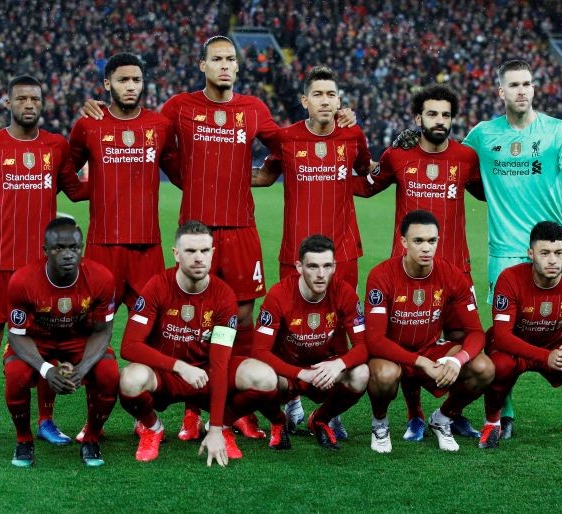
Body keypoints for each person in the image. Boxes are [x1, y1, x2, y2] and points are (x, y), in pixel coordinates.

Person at [83, 37, 355, 440]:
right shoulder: (178, 107)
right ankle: (194, 410)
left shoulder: (254, 109)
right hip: (197, 231)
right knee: (191, 320)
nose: (224, 65)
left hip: (241, 228)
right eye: (217, 59)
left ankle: (234, 408)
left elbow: (292, 143)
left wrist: (334, 117)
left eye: (230, 59)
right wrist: (98, 111)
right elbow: (143, 129)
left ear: (238, 68)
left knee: (241, 317)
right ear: (202, 65)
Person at [394, 59, 562, 438]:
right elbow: (448, 153)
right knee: (507, 338)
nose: (522, 90)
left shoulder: (557, 131)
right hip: (504, 252)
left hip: (554, 247)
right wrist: (412, 136)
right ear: (500, 92)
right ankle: (504, 414)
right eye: (514, 85)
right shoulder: (484, 135)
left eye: (528, 84)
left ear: (534, 89)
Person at [0, 75, 88, 447]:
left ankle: (46, 420)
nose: (29, 104)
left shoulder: (56, 146)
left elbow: (76, 191)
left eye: (35, 98)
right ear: (8, 103)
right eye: (22, 99)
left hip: (42, 268)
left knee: (46, 341)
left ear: (43, 103)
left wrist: (119, 175)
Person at [353, 84, 484, 441]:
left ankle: (452, 413)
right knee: (408, 342)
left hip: (455, 268)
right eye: (432, 114)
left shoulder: (466, 158)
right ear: (418, 118)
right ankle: (415, 415)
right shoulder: (399, 156)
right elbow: (364, 186)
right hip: (406, 271)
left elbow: (489, 193)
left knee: (463, 344)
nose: (439, 121)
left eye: (445, 115)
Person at [251, 65, 371, 438]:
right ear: (304, 100)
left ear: (339, 101)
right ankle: (292, 401)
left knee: (338, 330)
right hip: (295, 254)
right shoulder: (286, 140)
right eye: (317, 94)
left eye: (331, 95)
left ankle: (331, 409)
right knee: (290, 330)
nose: (325, 101)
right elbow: (266, 174)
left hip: (344, 251)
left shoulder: (353, 135)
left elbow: (365, 176)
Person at [68, 52, 174, 442]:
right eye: (123, 80)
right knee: (96, 336)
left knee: (155, 336)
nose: (131, 86)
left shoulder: (160, 126)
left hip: (148, 249)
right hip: (102, 250)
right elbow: (66, 171)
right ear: (107, 85)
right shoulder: (88, 125)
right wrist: (92, 190)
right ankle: (93, 421)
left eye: (136, 80)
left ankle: (144, 413)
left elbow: (182, 171)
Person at [118, 221, 279, 466]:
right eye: (190, 251)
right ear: (176, 254)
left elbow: (221, 363)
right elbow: (129, 346)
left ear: (213, 253)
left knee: (265, 378)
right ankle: (152, 427)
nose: (198, 258)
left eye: (205, 251)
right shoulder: (157, 286)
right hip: (167, 375)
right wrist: (180, 367)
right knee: (130, 379)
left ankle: (224, 425)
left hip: (206, 374)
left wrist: (215, 428)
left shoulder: (224, 296)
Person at [364, 210, 493, 453]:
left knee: (484, 368)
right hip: (393, 354)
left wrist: (457, 360)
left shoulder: (452, 275)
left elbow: (476, 332)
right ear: (403, 242)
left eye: (432, 241)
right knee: (384, 375)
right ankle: (380, 422)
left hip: (431, 349)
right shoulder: (381, 276)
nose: (426, 248)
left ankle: (443, 418)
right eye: (418, 241)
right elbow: (375, 340)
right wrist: (420, 361)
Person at [479, 221, 562, 449]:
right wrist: (545, 357)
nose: (552, 260)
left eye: (559, 253)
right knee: (498, 366)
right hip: (515, 346)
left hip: (554, 342)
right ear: (531, 253)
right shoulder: (509, 278)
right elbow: (502, 336)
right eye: (545, 253)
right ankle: (493, 423)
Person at [4, 218, 119, 467]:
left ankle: (91, 439)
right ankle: (24, 440)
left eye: (74, 248)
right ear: (45, 251)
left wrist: (83, 369)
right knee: (15, 374)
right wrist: (46, 369)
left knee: (109, 373)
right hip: (37, 341)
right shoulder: (22, 281)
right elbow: (16, 334)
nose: (68, 254)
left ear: (82, 248)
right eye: (59, 248)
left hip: (79, 341)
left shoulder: (102, 278)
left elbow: (103, 330)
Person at [252, 235, 369, 450]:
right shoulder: (279, 295)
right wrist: (299, 373)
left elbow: (363, 346)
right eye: (313, 266)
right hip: (288, 373)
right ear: (299, 266)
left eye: (327, 266)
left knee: (361, 374)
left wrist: (338, 365)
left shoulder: (345, 293)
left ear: (334, 266)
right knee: (261, 377)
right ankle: (278, 422)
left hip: (326, 370)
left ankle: (320, 419)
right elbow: (259, 350)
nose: (321, 274)